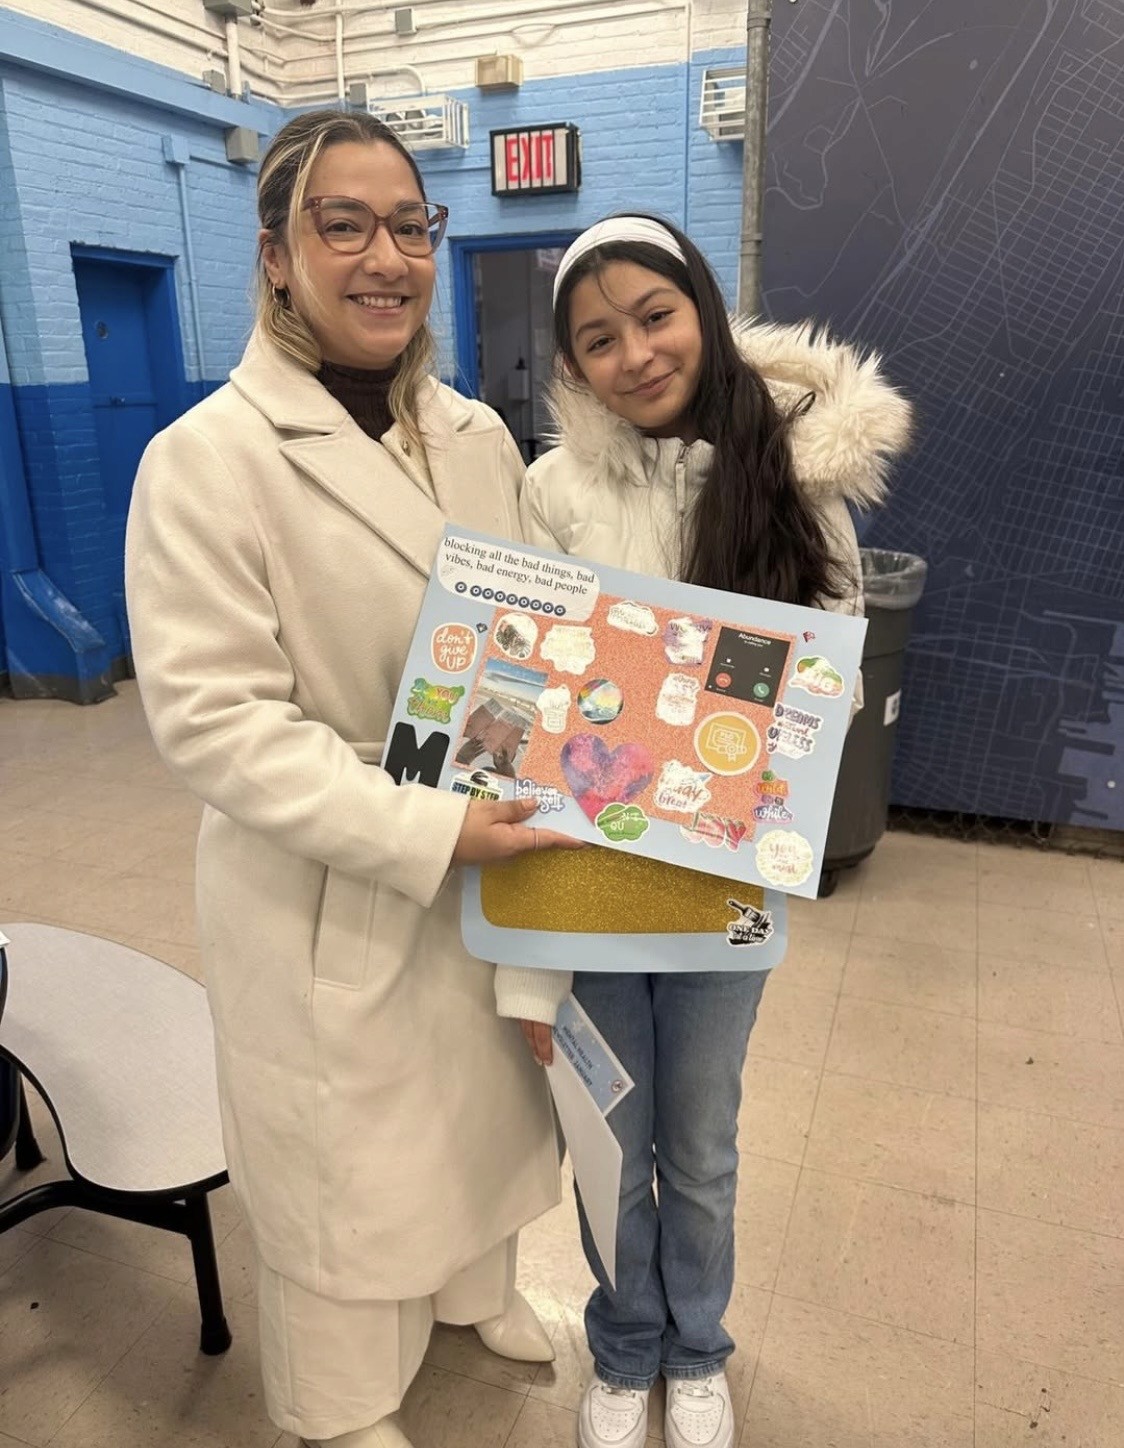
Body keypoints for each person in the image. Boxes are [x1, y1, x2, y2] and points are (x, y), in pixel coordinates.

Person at [125, 110, 582, 1448]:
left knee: (482, 1107)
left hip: (485, 841)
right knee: (349, 1159)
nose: (388, 256)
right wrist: (428, 825)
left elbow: (528, 631)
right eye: (346, 225)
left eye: (410, 225)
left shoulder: (476, 433)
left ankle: (470, 1289)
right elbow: (215, 723)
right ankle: (336, 1404)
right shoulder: (206, 462)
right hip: (333, 882)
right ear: (277, 255)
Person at [493, 215, 912, 1448]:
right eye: (596, 337)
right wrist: (525, 953)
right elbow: (516, 710)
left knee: (701, 1139)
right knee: (611, 1142)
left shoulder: (791, 475)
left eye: (653, 315)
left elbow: (819, 687)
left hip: (721, 891)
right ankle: (621, 1350)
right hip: (583, 881)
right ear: (571, 365)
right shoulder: (552, 488)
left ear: (703, 308)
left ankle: (697, 1345)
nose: (633, 352)